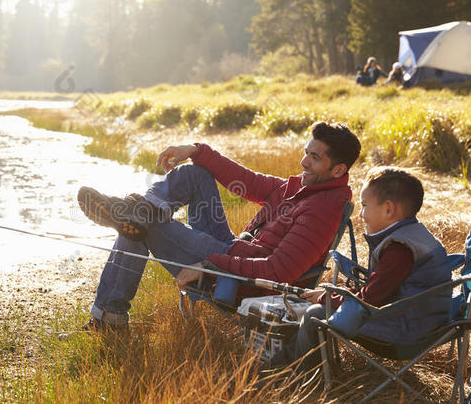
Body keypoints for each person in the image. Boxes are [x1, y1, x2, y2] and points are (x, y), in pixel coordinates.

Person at [76, 121, 361, 331]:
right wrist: (195, 150)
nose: (304, 162)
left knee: (141, 225)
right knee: (194, 174)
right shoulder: (300, 187)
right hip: (237, 249)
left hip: (240, 280)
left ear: (338, 170)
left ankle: (108, 317)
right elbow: (247, 180)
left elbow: (279, 272)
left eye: (315, 157)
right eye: (306, 152)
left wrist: (210, 264)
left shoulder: (322, 210)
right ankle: (144, 209)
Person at [289, 167, 450, 371]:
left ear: (389, 210)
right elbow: (380, 291)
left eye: (365, 206)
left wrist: (328, 297)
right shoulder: (415, 235)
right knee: (324, 303)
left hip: (405, 335)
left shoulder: (398, 249)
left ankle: (300, 376)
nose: (362, 215)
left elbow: (370, 300)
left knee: (314, 314)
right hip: (425, 323)